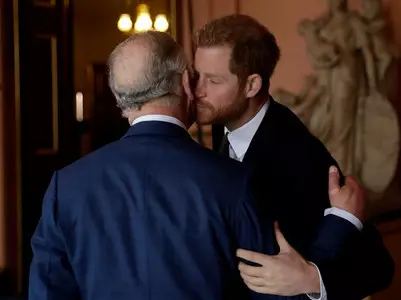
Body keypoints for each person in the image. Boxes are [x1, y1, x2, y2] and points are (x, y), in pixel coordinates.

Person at [28, 31, 287, 300]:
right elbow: (272, 291)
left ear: (119, 98)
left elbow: (47, 293)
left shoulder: (66, 186)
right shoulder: (234, 181)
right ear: (186, 82)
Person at [193, 14, 394, 299]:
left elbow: (378, 266)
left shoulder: (296, 154)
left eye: (213, 80)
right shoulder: (221, 121)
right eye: (196, 75)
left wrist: (312, 277)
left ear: (251, 86)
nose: (197, 90)